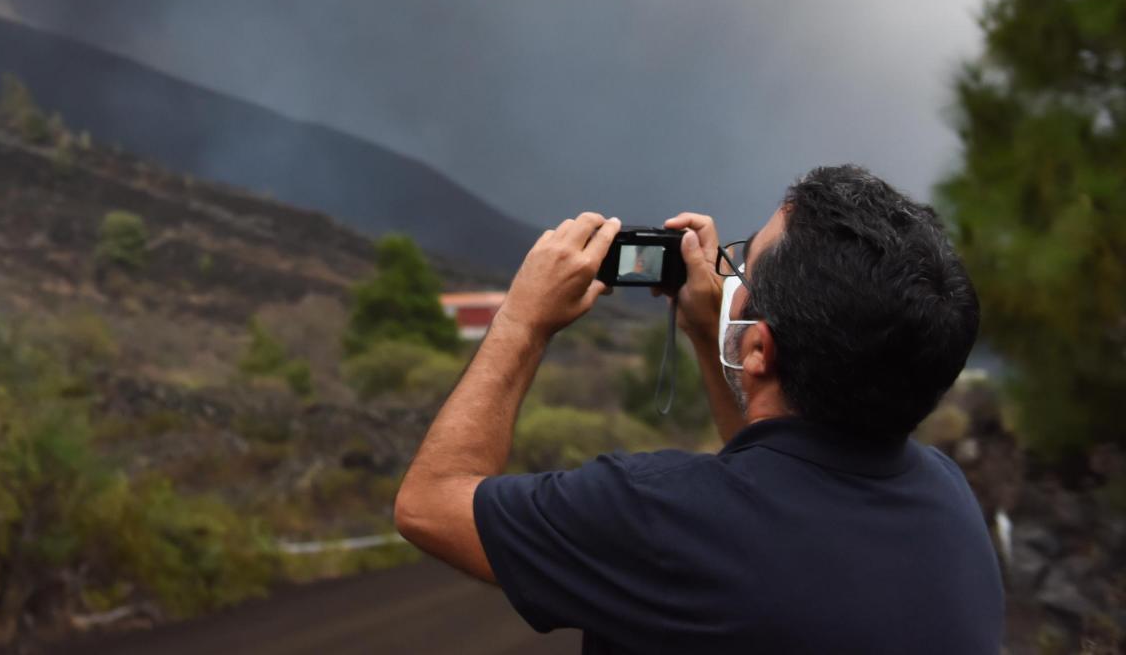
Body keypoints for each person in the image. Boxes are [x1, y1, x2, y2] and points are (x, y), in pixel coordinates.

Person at [393, 165, 1001, 653]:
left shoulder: (660, 515)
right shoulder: (948, 498)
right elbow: (777, 469)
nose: (727, 272)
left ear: (762, 347)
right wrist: (719, 336)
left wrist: (521, 321)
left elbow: (429, 504)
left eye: (743, 263)